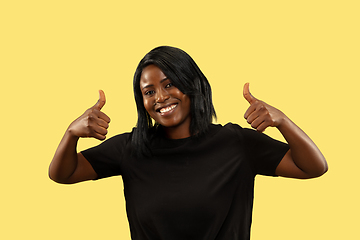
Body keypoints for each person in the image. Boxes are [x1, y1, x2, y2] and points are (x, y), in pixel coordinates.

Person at [49, 46, 328, 240]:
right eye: (149, 91)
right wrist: (71, 134)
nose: (160, 97)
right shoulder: (131, 148)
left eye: (170, 84)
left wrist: (283, 121)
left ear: (193, 84)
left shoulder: (237, 144)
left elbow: (313, 167)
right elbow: (63, 174)